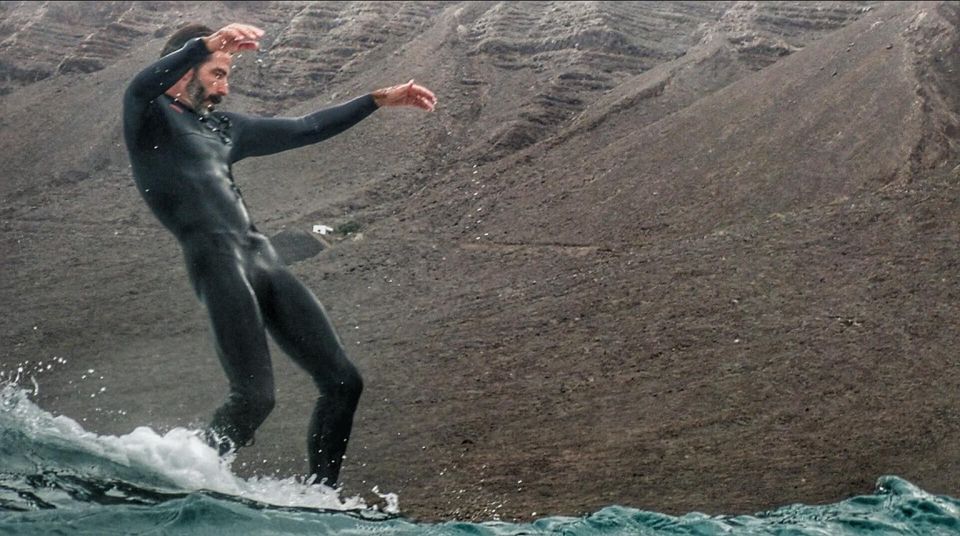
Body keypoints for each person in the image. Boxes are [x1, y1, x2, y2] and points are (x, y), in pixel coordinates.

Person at [122, 22, 437, 487]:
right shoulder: (149, 119)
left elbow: (305, 127)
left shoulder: (225, 128)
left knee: (344, 382)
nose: (224, 87)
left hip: (261, 260)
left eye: (227, 75)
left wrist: (375, 100)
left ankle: (323, 500)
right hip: (216, 262)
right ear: (183, 70)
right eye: (216, 73)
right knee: (254, 398)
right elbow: (140, 83)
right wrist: (203, 45)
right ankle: (181, 479)